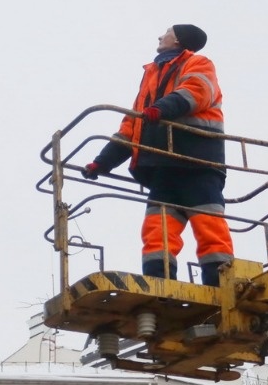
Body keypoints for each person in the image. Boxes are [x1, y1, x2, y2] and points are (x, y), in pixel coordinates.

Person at [84, 24, 233, 287]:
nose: (159, 36)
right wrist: (102, 162)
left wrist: (160, 109)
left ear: (177, 40)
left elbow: (195, 92)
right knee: (156, 233)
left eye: (165, 32)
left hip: (197, 163)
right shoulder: (151, 77)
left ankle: (220, 287)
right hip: (163, 169)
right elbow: (133, 126)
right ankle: (160, 287)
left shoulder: (198, 63)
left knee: (210, 229)